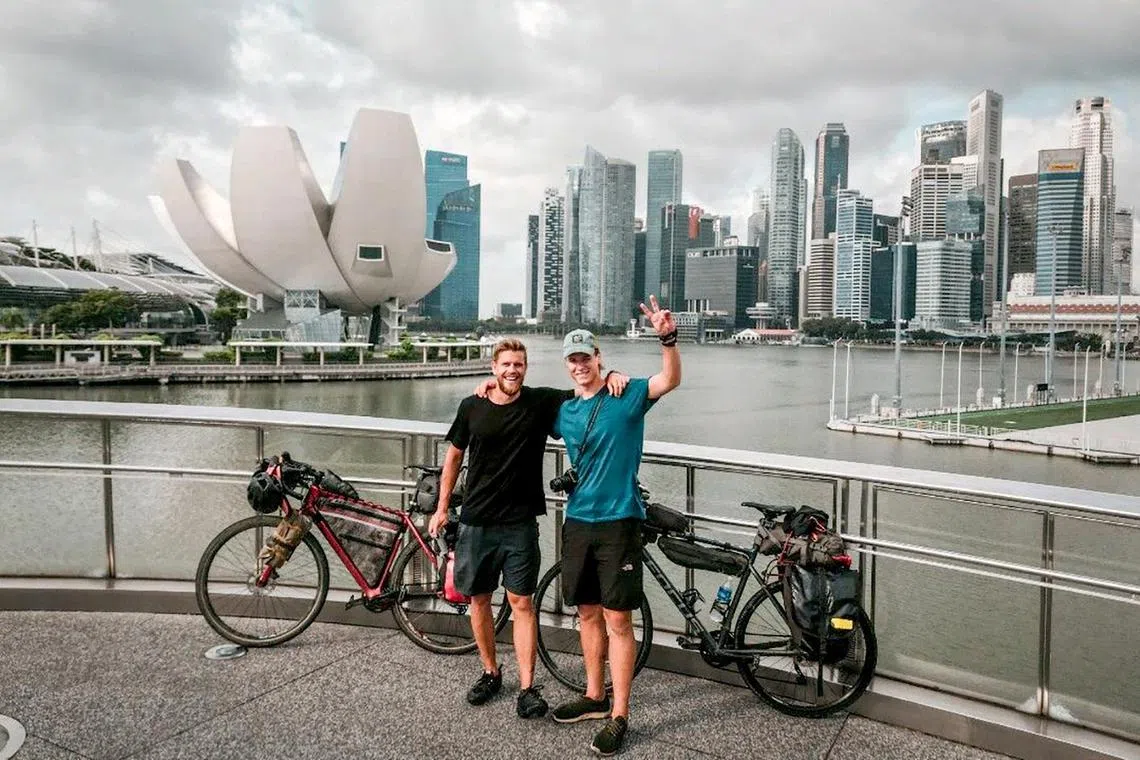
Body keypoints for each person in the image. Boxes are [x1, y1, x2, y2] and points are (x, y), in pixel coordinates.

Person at [428, 338, 626, 720]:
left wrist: (614, 373)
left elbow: (587, 388)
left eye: (518, 364)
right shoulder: (471, 407)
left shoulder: (539, 403)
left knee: (522, 604)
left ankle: (527, 687)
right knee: (479, 600)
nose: (512, 370)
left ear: (525, 368)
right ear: (493, 367)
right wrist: (441, 507)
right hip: (476, 522)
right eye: (505, 364)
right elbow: (453, 456)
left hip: (520, 524)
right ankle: (490, 671)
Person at [549, 296, 680, 757]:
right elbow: (516, 401)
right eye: (573, 359)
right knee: (586, 612)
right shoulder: (563, 410)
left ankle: (620, 713)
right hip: (578, 521)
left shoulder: (625, 396)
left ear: (599, 359)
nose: (580, 364)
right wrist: (491, 386)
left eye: (587, 357)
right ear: (567, 365)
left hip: (620, 521)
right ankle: (594, 695)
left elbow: (671, 380)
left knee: (618, 619)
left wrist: (667, 337)